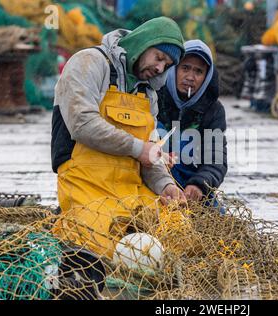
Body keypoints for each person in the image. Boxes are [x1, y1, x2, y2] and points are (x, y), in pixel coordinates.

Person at [50, 17, 186, 257]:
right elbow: (82, 124)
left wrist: (165, 185)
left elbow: (149, 153)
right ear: (144, 43)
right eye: (159, 57)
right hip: (87, 185)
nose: (160, 68)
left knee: (179, 238)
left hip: (131, 191)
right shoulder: (89, 62)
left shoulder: (148, 92)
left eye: (167, 65)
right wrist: (139, 149)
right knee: (98, 250)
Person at [157, 40, 227, 203]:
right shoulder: (154, 95)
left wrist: (199, 185)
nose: (190, 77)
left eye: (198, 71)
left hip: (189, 183)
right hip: (154, 178)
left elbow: (216, 159)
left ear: (206, 77)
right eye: (185, 68)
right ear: (174, 68)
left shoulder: (213, 110)